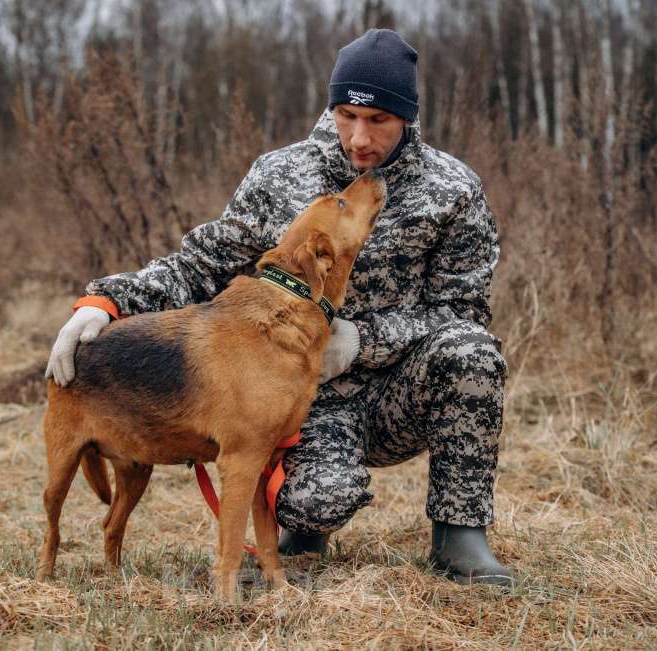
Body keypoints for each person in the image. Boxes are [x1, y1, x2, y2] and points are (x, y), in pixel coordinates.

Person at [46, 29, 513, 586]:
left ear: (408, 116)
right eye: (346, 115)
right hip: (297, 403)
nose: (359, 137)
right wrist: (106, 301)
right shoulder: (279, 173)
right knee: (315, 500)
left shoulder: (453, 188)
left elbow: (461, 309)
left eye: (380, 121)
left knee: (472, 352)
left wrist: (362, 338)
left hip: (395, 391)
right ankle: (301, 524)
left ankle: (459, 535)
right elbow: (202, 264)